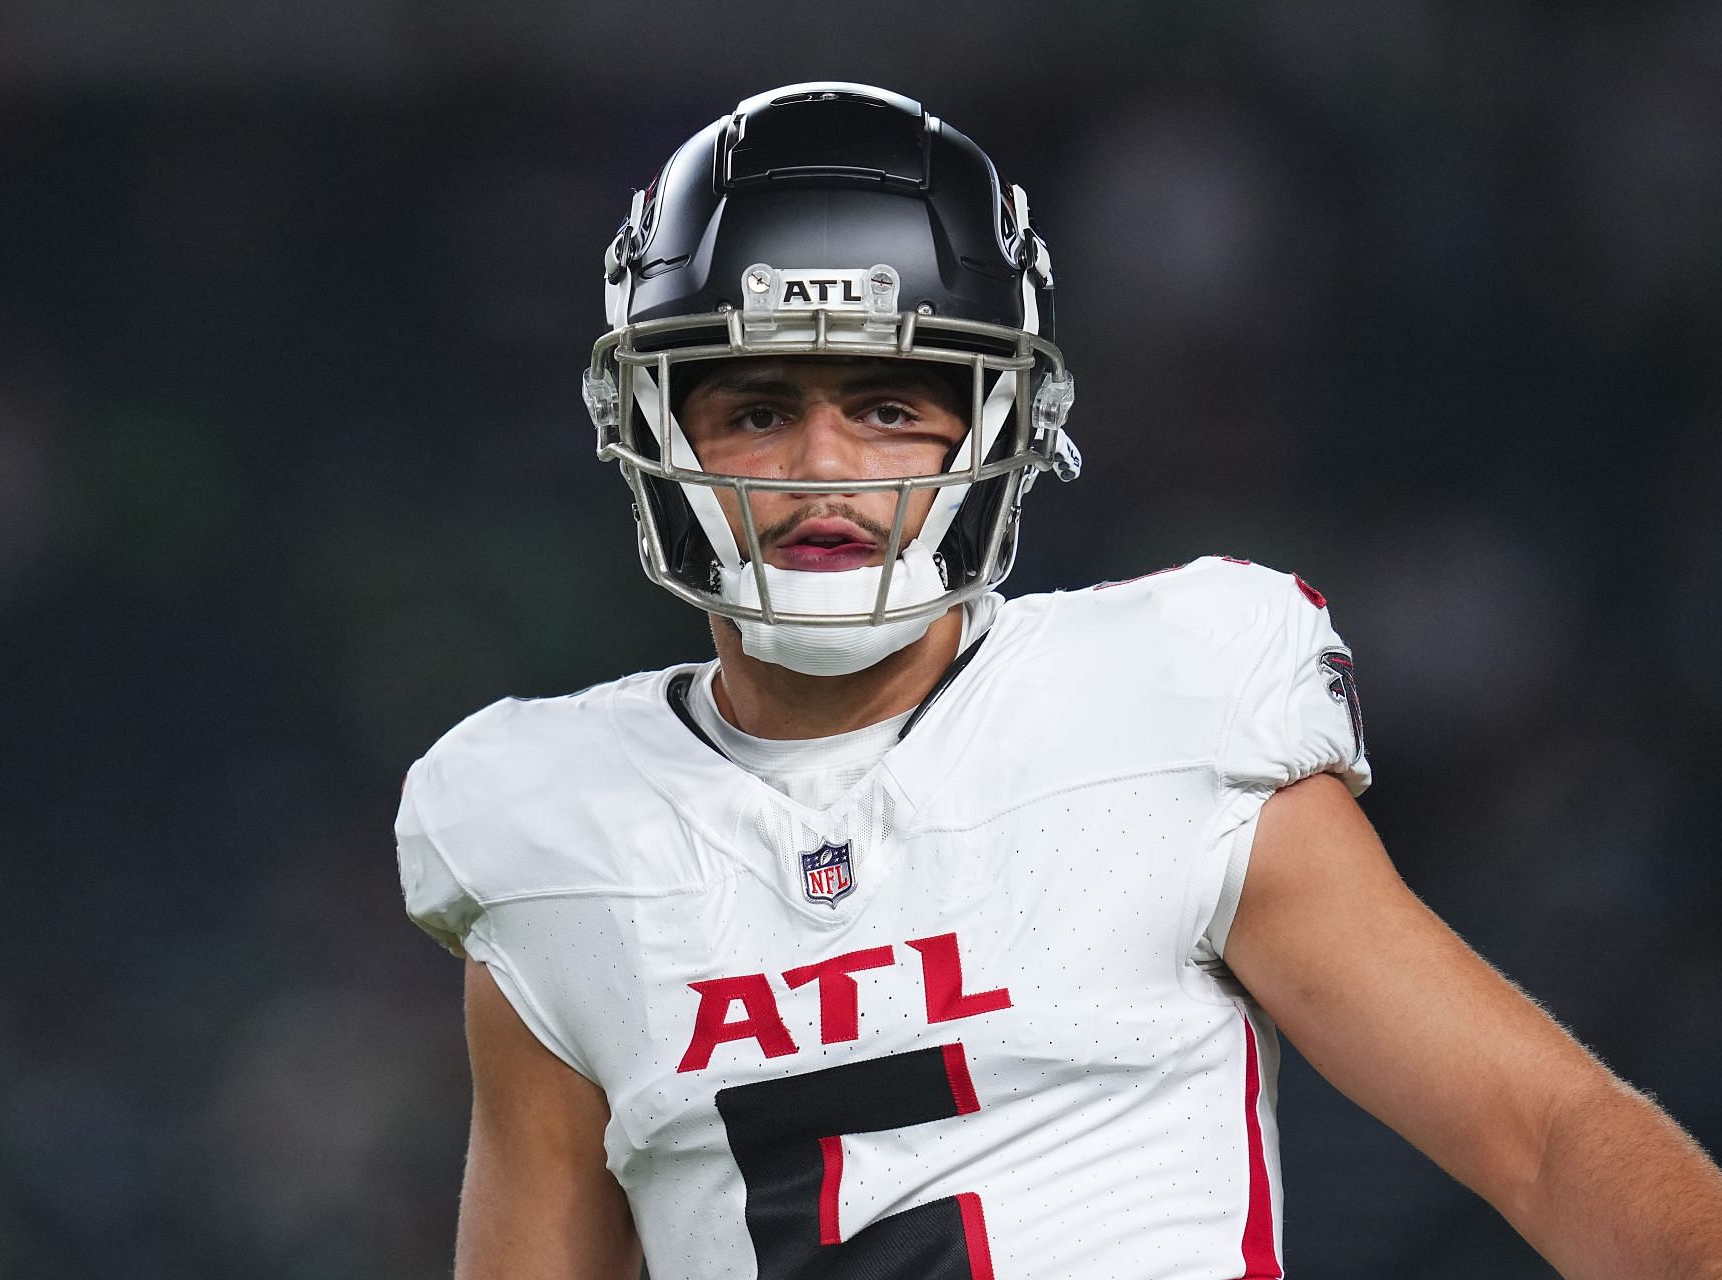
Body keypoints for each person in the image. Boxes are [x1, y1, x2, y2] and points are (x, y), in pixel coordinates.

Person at [395, 82, 1722, 1279]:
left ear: (1000, 427)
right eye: (754, 408)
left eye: (889, 405)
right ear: (653, 433)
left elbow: (1545, 1136)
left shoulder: (1165, 708)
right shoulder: (556, 837)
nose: (823, 464)